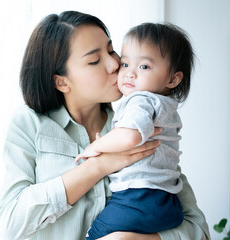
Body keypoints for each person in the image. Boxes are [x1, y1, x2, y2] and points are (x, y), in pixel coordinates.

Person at [0, 10, 210, 240]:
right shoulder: (29, 123)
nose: (115, 64)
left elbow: (199, 230)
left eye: (111, 50)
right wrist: (97, 167)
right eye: (95, 60)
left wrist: (132, 239)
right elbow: (8, 224)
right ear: (62, 81)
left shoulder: (138, 123)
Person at [74, 22, 197, 240]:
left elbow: (130, 135)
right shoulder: (165, 106)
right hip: (167, 202)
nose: (129, 73)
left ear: (173, 79)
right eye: (125, 64)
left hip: (138, 197)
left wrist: (95, 146)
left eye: (144, 67)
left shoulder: (141, 100)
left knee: (94, 235)